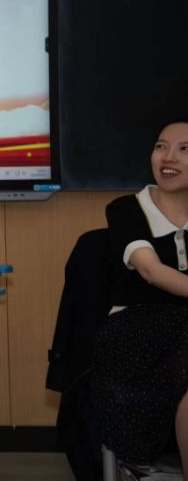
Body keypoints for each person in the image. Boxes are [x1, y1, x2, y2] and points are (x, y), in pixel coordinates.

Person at [91, 119, 188, 467]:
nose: (168, 157)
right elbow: (151, 271)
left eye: (184, 149)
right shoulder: (127, 209)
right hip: (139, 328)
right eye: (161, 146)